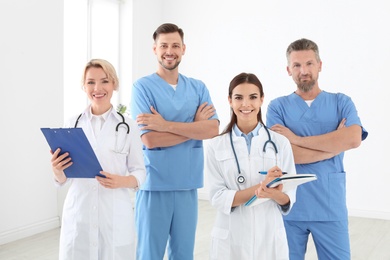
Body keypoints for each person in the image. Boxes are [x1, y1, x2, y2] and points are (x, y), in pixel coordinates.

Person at [267, 38, 368, 260]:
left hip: (330, 207)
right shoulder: (278, 107)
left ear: (320, 65)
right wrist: (333, 147)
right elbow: (283, 153)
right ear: (288, 70)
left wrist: (295, 139)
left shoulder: (342, 102)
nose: (304, 71)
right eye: (297, 65)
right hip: (289, 206)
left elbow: (352, 139)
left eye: (309, 63)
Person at [130, 23, 219, 260]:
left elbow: (212, 129)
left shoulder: (198, 87)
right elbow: (149, 139)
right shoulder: (142, 87)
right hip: (154, 183)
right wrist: (193, 126)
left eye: (175, 46)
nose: (170, 51)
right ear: (155, 49)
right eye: (164, 46)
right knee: (150, 254)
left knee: (183, 254)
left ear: (184, 49)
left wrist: (166, 125)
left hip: (187, 184)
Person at [50, 59, 146, 260]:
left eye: (104, 81)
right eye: (91, 82)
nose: (98, 88)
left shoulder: (128, 126)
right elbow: (62, 179)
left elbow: (140, 171)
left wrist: (122, 181)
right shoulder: (72, 123)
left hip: (114, 213)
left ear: (114, 84)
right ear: (84, 86)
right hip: (80, 213)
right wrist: (57, 171)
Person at [205, 72, 296, 259]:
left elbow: (288, 198)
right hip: (231, 238)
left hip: (269, 236)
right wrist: (263, 188)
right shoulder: (215, 145)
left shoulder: (280, 143)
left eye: (253, 97)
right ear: (230, 100)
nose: (246, 104)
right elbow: (218, 197)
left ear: (262, 99)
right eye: (238, 98)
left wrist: (273, 192)